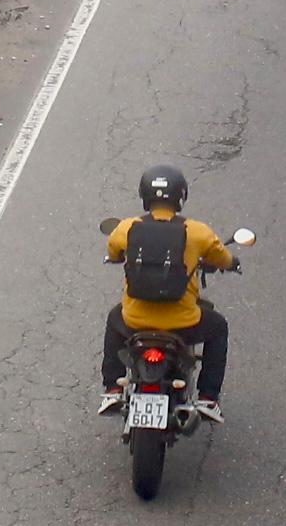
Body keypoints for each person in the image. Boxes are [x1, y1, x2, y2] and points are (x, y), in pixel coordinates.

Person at [99, 163, 236, 420]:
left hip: (135, 322)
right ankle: (208, 398)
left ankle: (113, 388)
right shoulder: (198, 232)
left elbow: (113, 252)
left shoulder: (127, 227)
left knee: (113, 319)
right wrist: (233, 263)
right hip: (184, 323)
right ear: (181, 196)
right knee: (218, 327)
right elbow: (223, 258)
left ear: (144, 196)